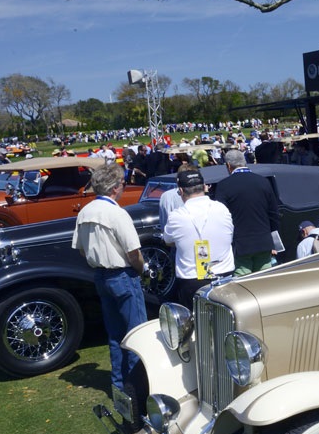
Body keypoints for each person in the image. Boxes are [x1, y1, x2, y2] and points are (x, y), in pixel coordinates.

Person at [71, 163, 147, 392]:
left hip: (101, 275)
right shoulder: (116, 213)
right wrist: (142, 269)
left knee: (115, 335)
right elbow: (133, 252)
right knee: (136, 334)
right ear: (115, 188)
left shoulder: (85, 211)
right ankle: (139, 388)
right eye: (122, 184)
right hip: (122, 274)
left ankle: (120, 385)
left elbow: (82, 249)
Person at [162, 169, 235, 308]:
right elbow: (229, 235)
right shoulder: (222, 208)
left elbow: (168, 240)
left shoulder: (177, 215)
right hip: (224, 276)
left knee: (196, 325)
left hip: (192, 279)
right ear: (205, 187)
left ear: (181, 191)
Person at [213, 149, 281, 276]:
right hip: (263, 241)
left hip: (241, 244)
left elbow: (220, 217)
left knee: (243, 281)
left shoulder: (223, 185)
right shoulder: (263, 182)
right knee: (264, 279)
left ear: (228, 165)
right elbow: (274, 213)